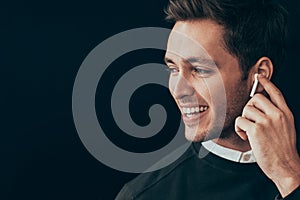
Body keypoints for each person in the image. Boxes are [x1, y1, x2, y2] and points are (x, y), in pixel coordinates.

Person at [115, 0, 300, 199]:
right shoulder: (145, 195)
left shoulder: (291, 172)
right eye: (173, 69)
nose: (178, 90)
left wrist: (288, 175)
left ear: (259, 75)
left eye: (200, 70)